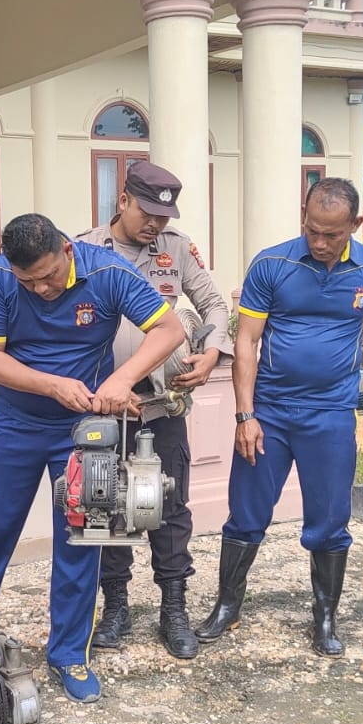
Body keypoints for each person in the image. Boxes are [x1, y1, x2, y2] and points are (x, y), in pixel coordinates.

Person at [195, 178, 363, 657]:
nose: (320, 242)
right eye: (312, 230)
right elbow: (246, 340)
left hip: (331, 414)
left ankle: (325, 617)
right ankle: (227, 605)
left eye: (332, 234)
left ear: (356, 224)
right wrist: (245, 415)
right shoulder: (273, 264)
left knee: (330, 520)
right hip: (270, 412)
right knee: (246, 513)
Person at [0, 213, 185, 703]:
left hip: (84, 430)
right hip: (14, 423)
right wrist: (53, 385)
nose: (41, 290)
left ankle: (68, 654)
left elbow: (169, 331)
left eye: (48, 276)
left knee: (82, 539)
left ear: (66, 250)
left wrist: (121, 380)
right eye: (28, 282)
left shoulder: (107, 273)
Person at [75, 161, 232, 659]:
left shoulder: (177, 249)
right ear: (123, 200)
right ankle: (116, 607)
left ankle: (174, 608)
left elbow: (214, 306)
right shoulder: (84, 250)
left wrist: (212, 351)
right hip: (102, 404)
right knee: (103, 504)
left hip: (161, 403)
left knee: (170, 505)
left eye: (163, 216)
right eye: (146, 212)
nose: (155, 224)